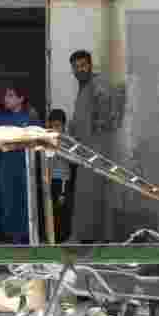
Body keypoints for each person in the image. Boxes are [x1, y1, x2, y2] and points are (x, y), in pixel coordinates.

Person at [67, 50, 114, 243]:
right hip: (84, 151)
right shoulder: (83, 87)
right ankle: (85, 238)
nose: (80, 70)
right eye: (76, 67)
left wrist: (95, 132)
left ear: (90, 65)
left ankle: (95, 241)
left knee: (93, 195)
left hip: (95, 150)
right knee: (84, 196)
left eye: (83, 65)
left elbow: (105, 116)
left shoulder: (97, 85)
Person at [0, 85, 35, 244]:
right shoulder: (1, 118)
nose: (7, 99)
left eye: (11, 95)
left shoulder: (30, 117)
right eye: (6, 96)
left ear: (20, 99)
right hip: (7, 165)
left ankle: (28, 236)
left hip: (25, 165)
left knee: (26, 200)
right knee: (8, 200)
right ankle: (12, 237)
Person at [45, 108, 77, 242]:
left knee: (62, 211)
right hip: (49, 180)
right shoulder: (46, 139)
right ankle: (52, 239)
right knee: (50, 211)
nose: (55, 128)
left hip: (63, 180)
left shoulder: (68, 140)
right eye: (52, 126)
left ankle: (63, 239)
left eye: (57, 126)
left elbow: (75, 160)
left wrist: (60, 150)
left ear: (64, 125)